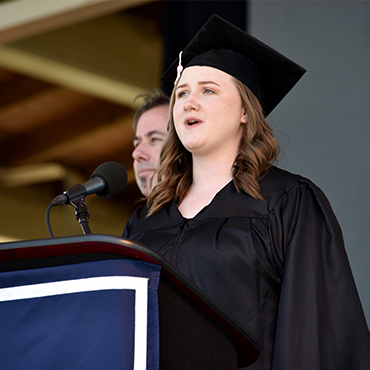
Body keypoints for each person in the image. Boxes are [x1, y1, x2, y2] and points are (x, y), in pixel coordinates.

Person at [123, 15, 370, 369]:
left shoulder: (287, 202)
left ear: (244, 110)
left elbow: (312, 332)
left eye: (208, 90)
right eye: (181, 93)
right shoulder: (144, 222)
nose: (189, 102)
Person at [132, 89, 170, 196]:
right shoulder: (140, 213)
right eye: (137, 144)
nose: (136, 154)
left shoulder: (218, 210)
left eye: (154, 139)